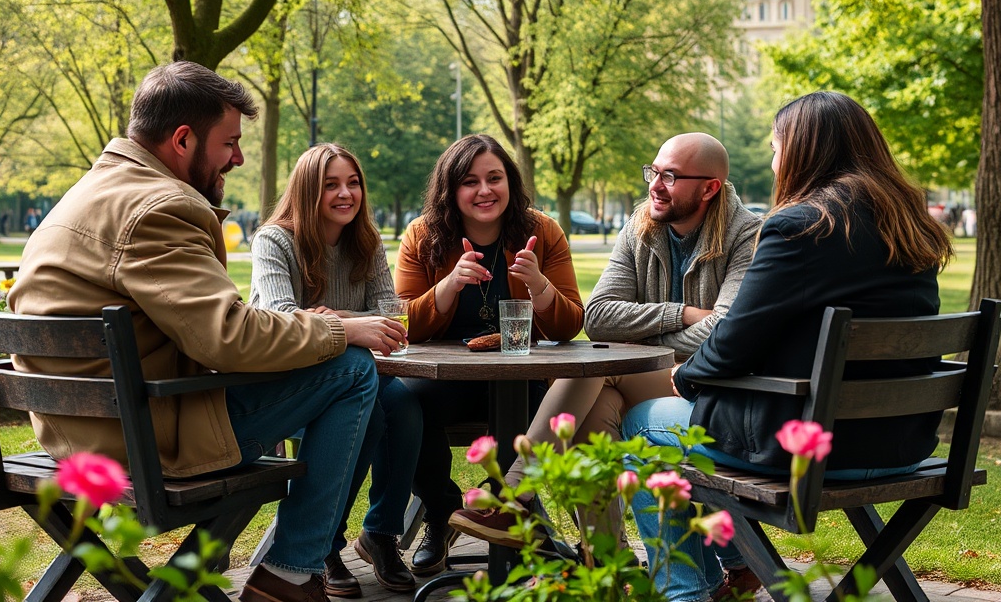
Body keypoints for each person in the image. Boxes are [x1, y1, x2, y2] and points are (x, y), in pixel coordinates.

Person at [7, 61, 406, 602]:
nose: (238, 158)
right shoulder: (160, 208)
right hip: (142, 446)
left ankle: (299, 566)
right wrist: (339, 334)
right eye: (230, 143)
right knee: (353, 372)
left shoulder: (87, 195)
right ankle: (291, 572)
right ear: (182, 139)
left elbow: (204, 329)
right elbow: (230, 338)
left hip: (74, 435)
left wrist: (304, 326)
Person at [621, 92, 953, 602]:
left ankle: (685, 592)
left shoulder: (801, 226)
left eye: (777, 148)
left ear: (802, 151)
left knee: (642, 423)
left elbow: (733, 342)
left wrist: (685, 378)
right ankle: (731, 564)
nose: (775, 161)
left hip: (807, 447)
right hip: (900, 445)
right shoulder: (907, 225)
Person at [451, 133, 761, 560]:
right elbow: (598, 318)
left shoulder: (747, 235)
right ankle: (610, 562)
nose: (654, 184)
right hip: (658, 379)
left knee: (597, 364)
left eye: (670, 176)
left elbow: (724, 333)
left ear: (710, 188)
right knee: (596, 405)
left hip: (712, 387)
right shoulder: (641, 225)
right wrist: (683, 314)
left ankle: (515, 494)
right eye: (653, 171)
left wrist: (639, 335)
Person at [394, 133, 585, 575]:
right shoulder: (422, 236)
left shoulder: (542, 230)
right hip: (443, 381)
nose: (484, 191)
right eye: (469, 181)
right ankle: (441, 514)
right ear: (450, 190)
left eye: (494, 178)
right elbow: (403, 326)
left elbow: (568, 326)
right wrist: (449, 285)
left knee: (545, 412)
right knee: (401, 402)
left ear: (510, 183)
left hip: (525, 377)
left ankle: (514, 509)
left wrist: (537, 283)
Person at [250, 143, 420, 597]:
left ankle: (381, 534)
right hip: (288, 379)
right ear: (308, 191)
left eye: (353, 183)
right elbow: (282, 316)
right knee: (375, 417)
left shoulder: (365, 240)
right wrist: (353, 321)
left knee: (406, 405)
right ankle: (324, 546)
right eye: (331, 185)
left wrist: (330, 314)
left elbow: (389, 309)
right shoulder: (275, 240)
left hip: (353, 371)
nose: (346, 194)